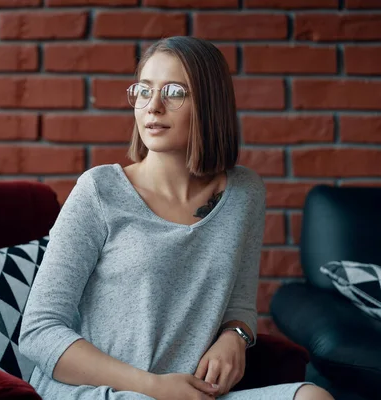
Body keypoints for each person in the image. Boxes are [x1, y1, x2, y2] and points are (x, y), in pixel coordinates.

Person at [19, 36, 333, 400]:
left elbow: (239, 303)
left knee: (313, 397)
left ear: (209, 104)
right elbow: (39, 331)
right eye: (143, 90)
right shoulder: (98, 191)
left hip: (188, 394)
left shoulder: (245, 193)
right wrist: (153, 387)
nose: (152, 106)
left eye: (174, 92)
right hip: (99, 392)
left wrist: (236, 336)